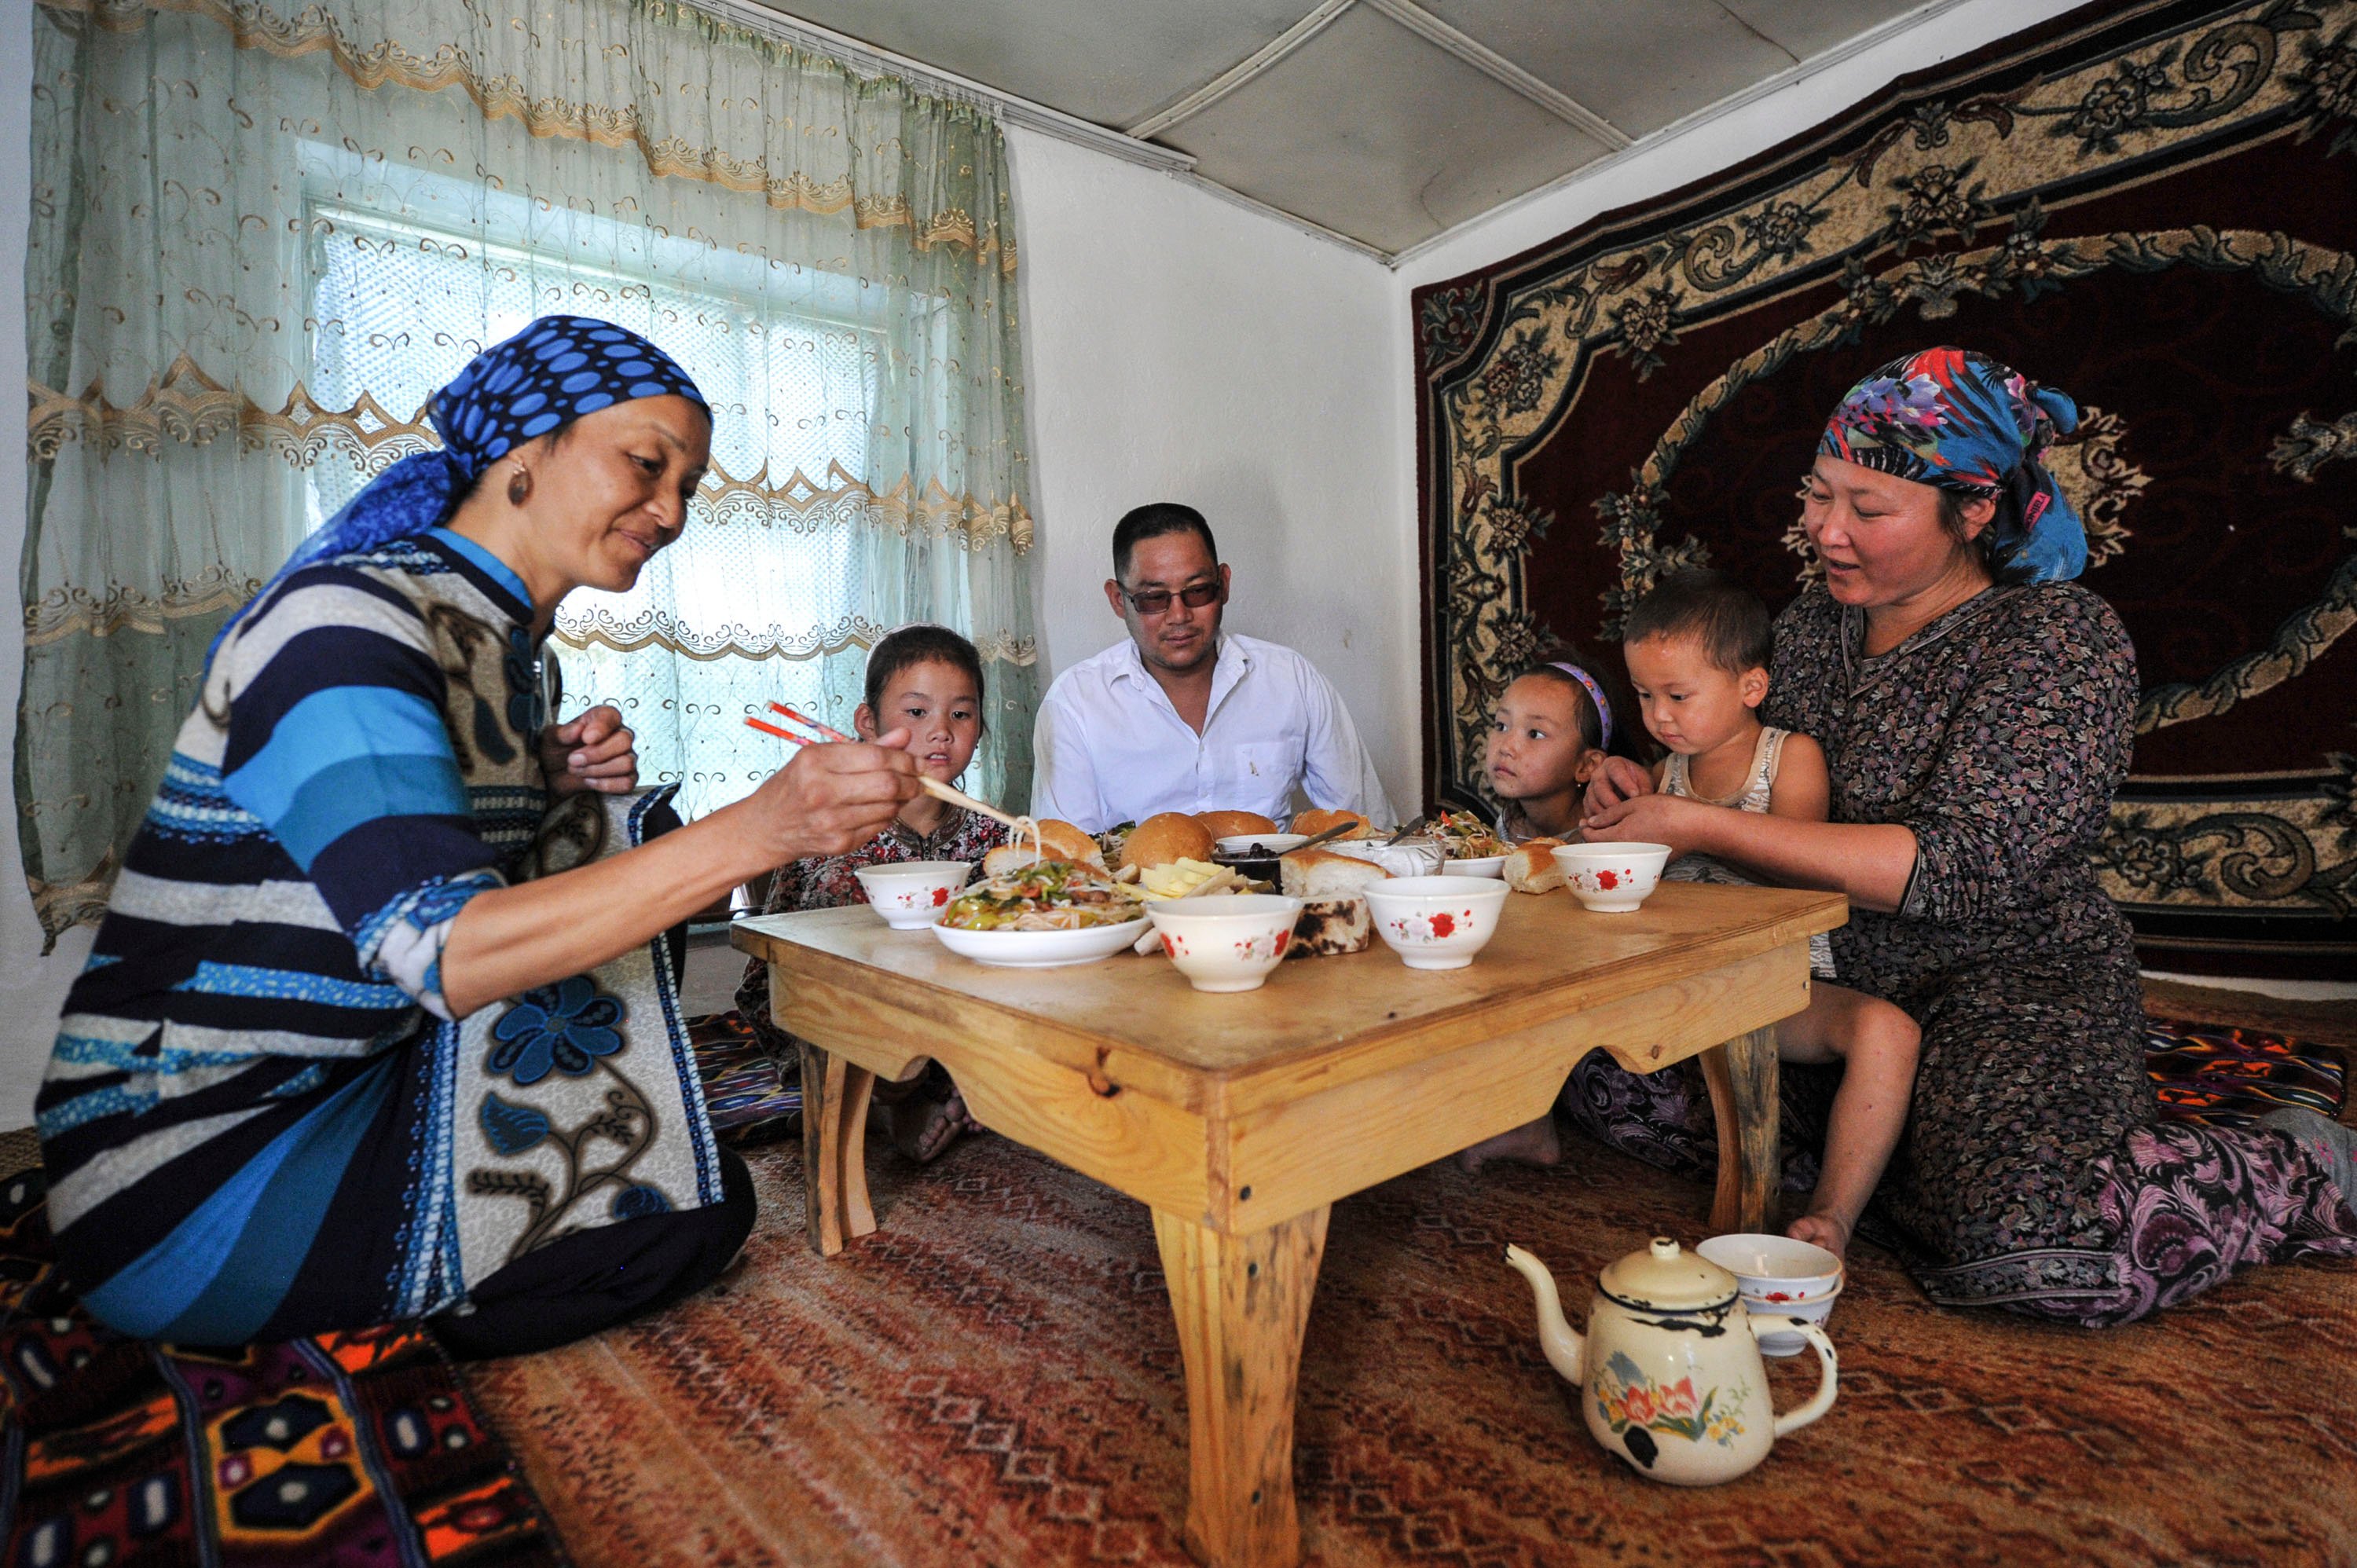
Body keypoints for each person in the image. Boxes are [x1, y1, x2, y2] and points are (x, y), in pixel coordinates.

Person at [36, 317, 922, 1357]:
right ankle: (373, 1337)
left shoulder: (499, 644)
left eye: (688, 485)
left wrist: (542, 779)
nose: (672, 511)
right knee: (690, 1214)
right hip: (188, 1166)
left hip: (357, 1073)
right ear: (522, 450)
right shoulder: (345, 625)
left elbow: (389, 834)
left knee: (623, 841)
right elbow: (444, 945)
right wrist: (767, 827)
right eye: (647, 464)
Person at [1573, 346, 2355, 1322]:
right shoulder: (1811, 627)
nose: (1825, 529)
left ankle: (2295, 1158)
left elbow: (1959, 867)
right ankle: (1909, 1165)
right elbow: (1740, 744)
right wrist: (1653, 780)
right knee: (1607, 1078)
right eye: (1819, 494)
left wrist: (1696, 823)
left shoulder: (2056, 639)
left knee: (2038, 1241)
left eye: (1868, 507)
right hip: (1828, 980)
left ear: (1975, 508)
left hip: (2004, 980)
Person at [1621, 570, 1917, 1258]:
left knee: (1888, 1031)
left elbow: (1799, 873)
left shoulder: (1788, 758)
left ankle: (1832, 1215)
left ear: (1751, 687)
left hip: (1771, 985)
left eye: (1678, 696)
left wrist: (1693, 830)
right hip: (1679, 981)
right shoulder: (1665, 773)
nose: (1659, 716)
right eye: (1644, 695)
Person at [736, 623, 1008, 1162]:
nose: (941, 732)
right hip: (839, 1010)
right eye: (917, 712)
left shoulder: (997, 837)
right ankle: (887, 1102)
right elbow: (788, 972)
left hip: (955, 1015)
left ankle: (951, 1087)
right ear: (868, 723)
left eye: (961, 714)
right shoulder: (833, 833)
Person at [1029, 503, 1393, 832]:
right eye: (1154, 598)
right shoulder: (1077, 702)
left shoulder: (1291, 680)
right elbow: (1065, 859)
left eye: (1198, 591)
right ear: (1118, 600)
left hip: (1272, 885)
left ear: (1224, 585)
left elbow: (1367, 829)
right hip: (1132, 887)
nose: (1179, 616)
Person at [1483, 659, 1614, 845]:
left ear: (1586, 765)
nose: (1506, 748)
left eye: (1535, 734)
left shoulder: (1603, 841)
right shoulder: (1508, 824)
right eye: (1501, 726)